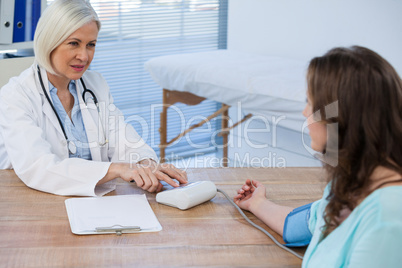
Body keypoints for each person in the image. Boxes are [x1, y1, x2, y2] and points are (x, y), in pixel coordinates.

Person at [234, 46, 402, 267]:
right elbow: (302, 225)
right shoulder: (350, 182)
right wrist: (257, 204)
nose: (305, 113)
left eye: (310, 102)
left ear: (340, 117)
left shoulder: (388, 216)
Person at [0, 0, 187, 196]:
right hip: (31, 204)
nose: (84, 56)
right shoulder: (15, 96)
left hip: (94, 204)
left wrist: (145, 164)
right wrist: (115, 169)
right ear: (49, 41)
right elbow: (37, 167)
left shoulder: (95, 84)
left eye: (91, 45)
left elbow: (122, 138)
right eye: (74, 43)